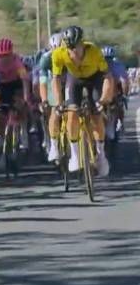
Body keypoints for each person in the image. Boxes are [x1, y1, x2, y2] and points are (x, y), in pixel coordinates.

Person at [51, 25, 114, 176]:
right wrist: (59, 102)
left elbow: (108, 78)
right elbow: (56, 80)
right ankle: (74, 155)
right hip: (75, 80)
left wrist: (104, 100)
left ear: (82, 44)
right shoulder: (58, 54)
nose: (72, 52)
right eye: (69, 49)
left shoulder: (94, 52)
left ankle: (101, 154)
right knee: (71, 113)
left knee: (96, 115)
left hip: (95, 78)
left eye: (75, 48)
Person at [0, 38, 31, 151]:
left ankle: (23, 134)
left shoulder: (16, 61)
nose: (5, 58)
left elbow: (25, 80)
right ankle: (0, 136)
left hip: (15, 84)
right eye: (1, 55)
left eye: (7, 55)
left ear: (12, 53)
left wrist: (26, 98)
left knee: (21, 106)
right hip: (0, 85)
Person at [38, 32, 63, 162]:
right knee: (54, 111)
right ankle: (53, 145)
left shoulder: (68, 55)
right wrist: (45, 100)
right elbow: (43, 83)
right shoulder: (45, 59)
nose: (57, 52)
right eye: (54, 49)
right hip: (52, 83)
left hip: (68, 80)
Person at [102, 45, 128, 140]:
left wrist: (124, 94)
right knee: (120, 104)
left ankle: (120, 123)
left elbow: (124, 82)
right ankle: (121, 123)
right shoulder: (118, 65)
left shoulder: (99, 64)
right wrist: (125, 94)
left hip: (109, 91)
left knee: (119, 104)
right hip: (109, 91)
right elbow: (125, 82)